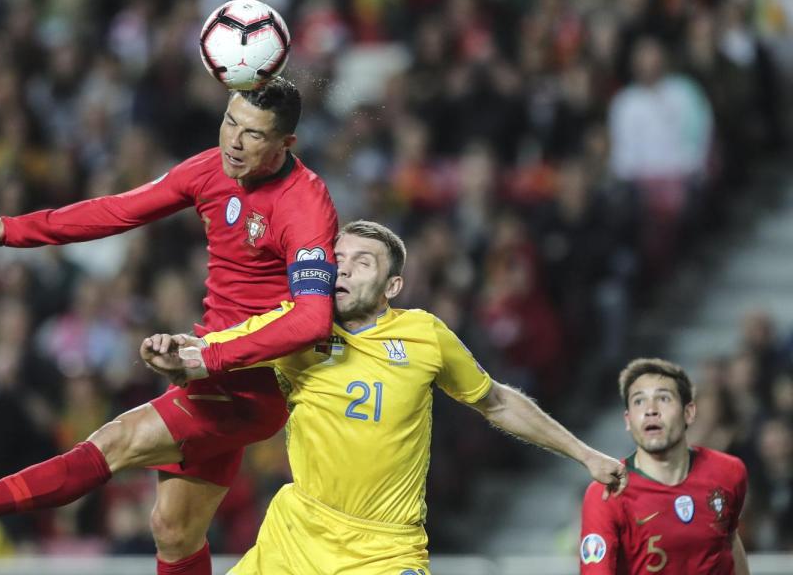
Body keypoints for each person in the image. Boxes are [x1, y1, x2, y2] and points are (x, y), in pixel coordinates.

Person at [0, 77, 339, 575]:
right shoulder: (213, 168)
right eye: (230, 121)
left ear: (285, 143)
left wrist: (203, 356)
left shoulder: (305, 204)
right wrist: (13, 229)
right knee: (175, 532)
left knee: (114, 443)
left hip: (254, 384)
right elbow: (118, 210)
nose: (233, 140)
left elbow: (313, 319)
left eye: (253, 134)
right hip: (211, 368)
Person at [142, 220, 628, 574]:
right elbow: (215, 348)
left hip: (385, 550)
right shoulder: (291, 328)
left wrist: (585, 454)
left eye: (362, 261)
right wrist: (173, 351)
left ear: (392, 285)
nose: (344, 269)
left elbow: (496, 401)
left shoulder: (425, 335)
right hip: (298, 536)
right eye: (339, 258)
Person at [579, 358, 749, 574]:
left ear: (689, 413)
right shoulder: (607, 493)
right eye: (639, 401)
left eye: (663, 398)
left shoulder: (729, 472)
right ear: (628, 420)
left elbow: (730, 540)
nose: (651, 410)